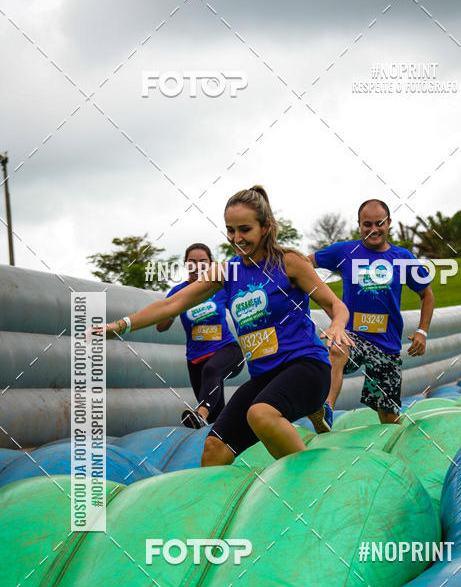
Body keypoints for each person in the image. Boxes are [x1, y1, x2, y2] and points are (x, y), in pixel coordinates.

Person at [97, 186, 353, 465]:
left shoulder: (289, 263)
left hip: (306, 366)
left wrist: (337, 326)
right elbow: (172, 304)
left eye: (244, 229)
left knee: (260, 414)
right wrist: (122, 325)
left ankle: (316, 484)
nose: (236, 238)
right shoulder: (227, 272)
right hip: (264, 376)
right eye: (230, 230)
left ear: (265, 227)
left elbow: (335, 305)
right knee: (214, 448)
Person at [308, 198, 435, 426]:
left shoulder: (402, 257)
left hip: (387, 344)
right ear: (359, 224)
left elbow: (427, 294)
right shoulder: (344, 251)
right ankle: (325, 410)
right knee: (336, 347)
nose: (373, 229)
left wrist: (422, 332)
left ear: (389, 223)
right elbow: (304, 263)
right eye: (367, 224)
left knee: (389, 418)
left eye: (379, 223)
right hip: (354, 336)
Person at [156, 242, 244, 428]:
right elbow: (161, 327)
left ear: (211, 264)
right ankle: (228, 444)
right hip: (196, 360)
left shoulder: (220, 288)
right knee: (216, 418)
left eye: (203, 262)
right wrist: (173, 309)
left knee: (211, 371)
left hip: (228, 350)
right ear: (186, 265)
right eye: (192, 262)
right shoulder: (178, 292)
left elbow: (242, 311)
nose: (197, 267)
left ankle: (200, 413)